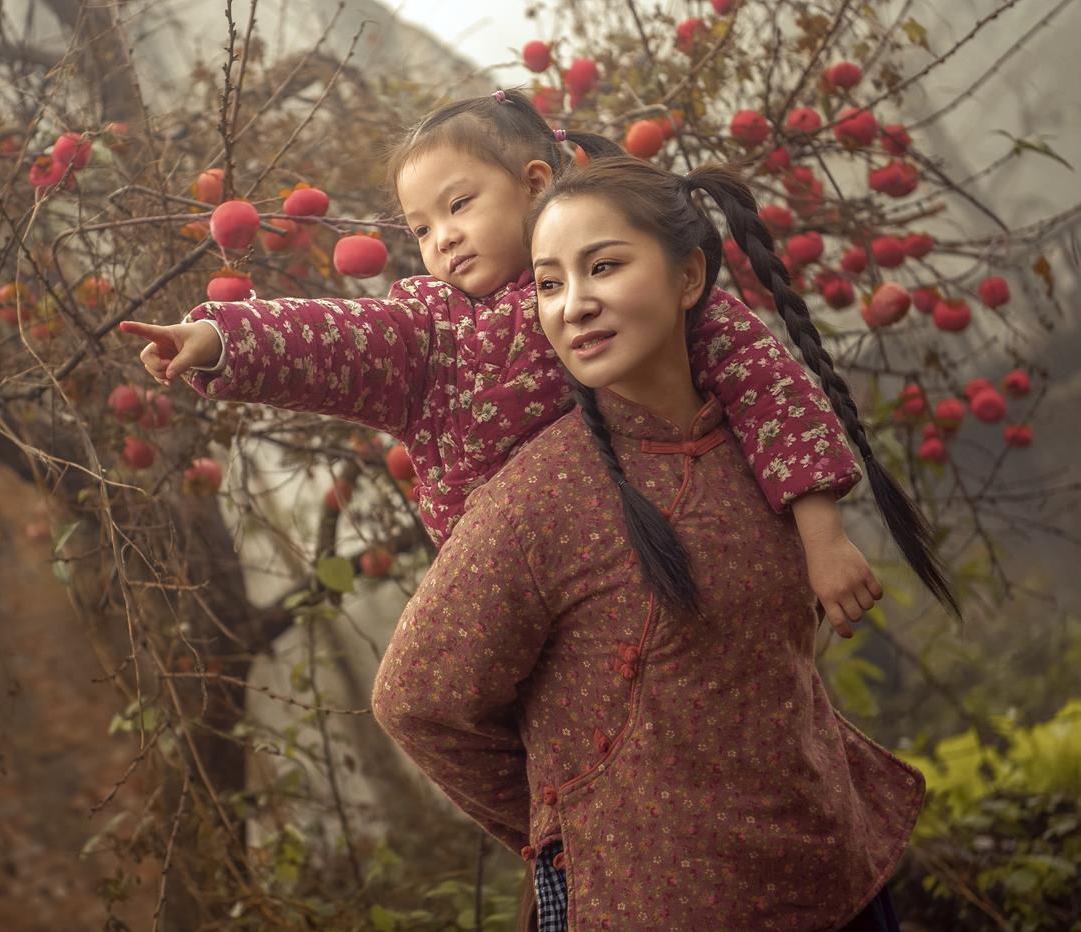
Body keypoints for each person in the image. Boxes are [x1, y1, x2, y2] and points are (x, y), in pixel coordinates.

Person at [371, 155, 957, 931]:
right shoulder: (538, 498)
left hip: (831, 871)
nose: (573, 306)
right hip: (650, 903)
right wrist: (570, 825)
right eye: (548, 284)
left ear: (689, 279)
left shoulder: (760, 445)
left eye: (604, 267)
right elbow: (416, 702)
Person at [121, 89, 885, 635]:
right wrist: (219, 338)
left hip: (670, 547)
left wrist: (822, 539)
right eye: (419, 228)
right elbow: (335, 335)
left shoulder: (630, 289)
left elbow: (768, 390)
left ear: (535, 185)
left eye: (459, 206)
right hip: (525, 598)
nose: (442, 239)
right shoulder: (430, 328)